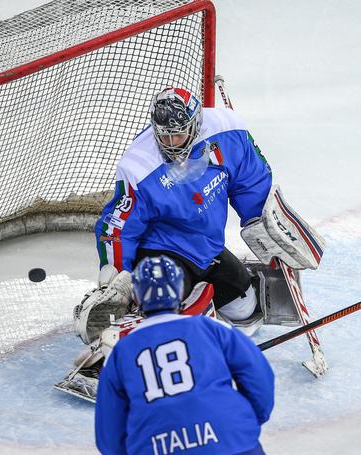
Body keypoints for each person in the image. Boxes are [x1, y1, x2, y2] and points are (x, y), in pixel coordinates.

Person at [73, 87, 274, 346]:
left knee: (243, 307)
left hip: (206, 247)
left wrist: (261, 222)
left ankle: (189, 308)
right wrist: (115, 276)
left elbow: (250, 179)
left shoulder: (226, 130)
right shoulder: (139, 166)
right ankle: (134, 327)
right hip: (161, 249)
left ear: (196, 124)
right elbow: (118, 227)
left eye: (178, 135)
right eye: (165, 136)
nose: (171, 143)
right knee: (168, 313)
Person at [95, 255, 274, 455]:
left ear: (136, 297)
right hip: (233, 442)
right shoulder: (212, 328)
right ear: (181, 291)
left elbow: (109, 438)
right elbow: (258, 374)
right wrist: (247, 420)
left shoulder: (120, 352)